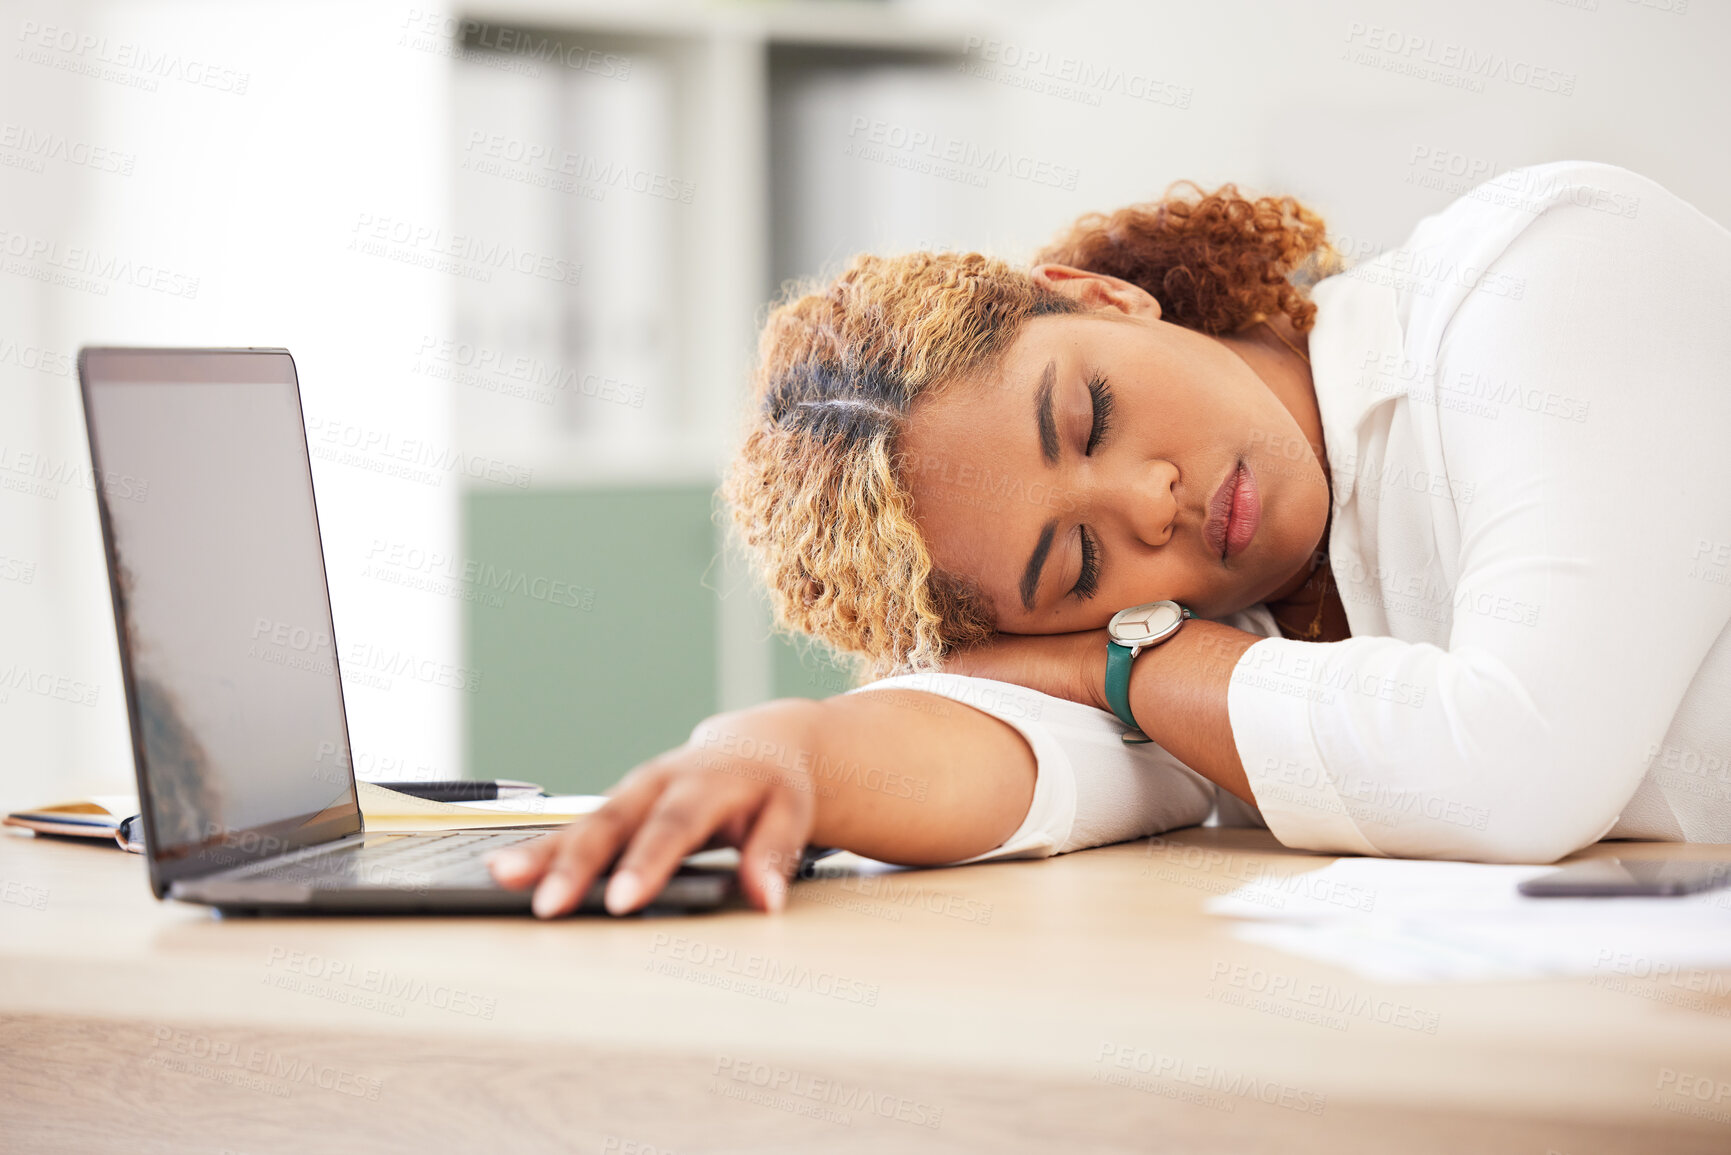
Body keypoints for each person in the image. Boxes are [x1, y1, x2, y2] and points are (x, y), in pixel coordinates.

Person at [490, 160, 1731, 918]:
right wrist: (776, 755)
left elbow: (1511, 767)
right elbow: (994, 753)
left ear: (1102, 298)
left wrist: (1117, 657)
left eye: (1088, 412)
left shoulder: (1546, 270)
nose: (1147, 505)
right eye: (1077, 566)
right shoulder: (1220, 627)